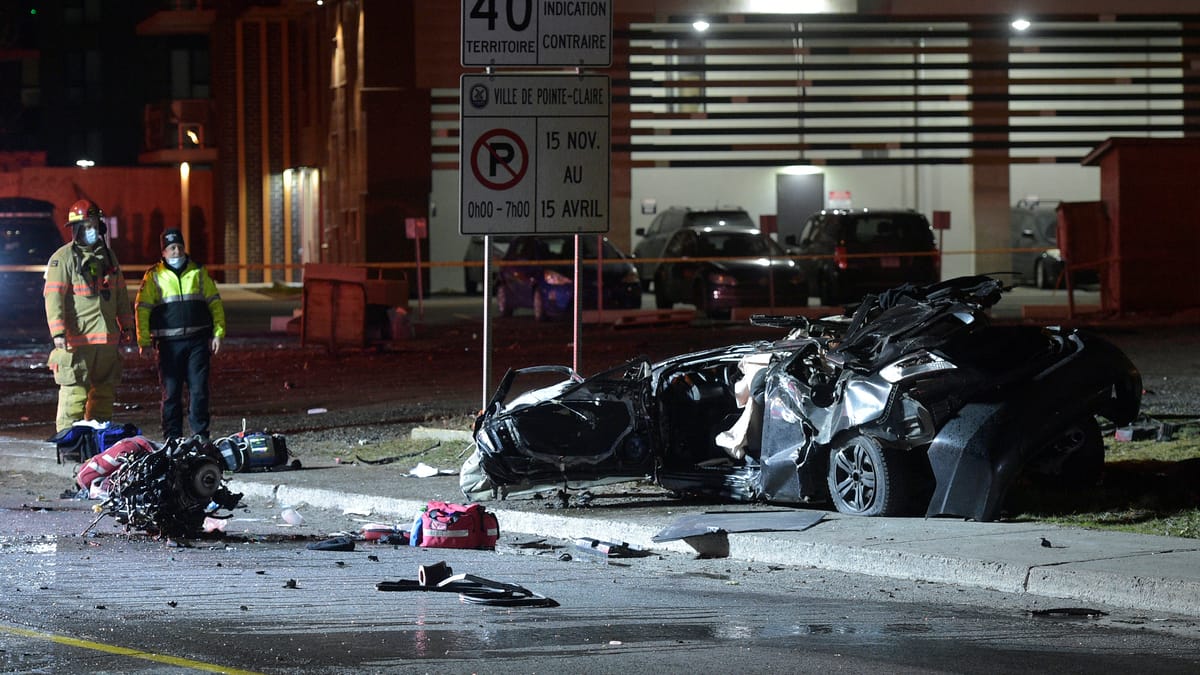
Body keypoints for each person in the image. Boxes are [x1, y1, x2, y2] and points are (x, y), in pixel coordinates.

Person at [44, 199, 134, 432]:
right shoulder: (62, 259)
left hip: (106, 342)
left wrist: (127, 325)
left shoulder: (109, 258)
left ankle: (96, 440)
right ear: (75, 229)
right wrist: (59, 333)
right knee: (74, 394)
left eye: (94, 224)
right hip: (77, 342)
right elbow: (53, 298)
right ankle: (68, 443)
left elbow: (120, 294)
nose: (91, 229)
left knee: (104, 395)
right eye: (86, 225)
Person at [135, 228, 226, 440]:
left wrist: (218, 333)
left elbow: (215, 303)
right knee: (171, 394)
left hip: (197, 341)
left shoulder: (198, 272)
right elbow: (142, 308)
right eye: (171, 248)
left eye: (179, 247)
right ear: (163, 253)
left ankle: (200, 435)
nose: (176, 251)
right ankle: (172, 438)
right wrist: (144, 341)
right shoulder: (154, 276)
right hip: (168, 345)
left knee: (199, 391)